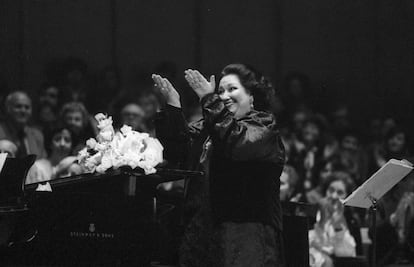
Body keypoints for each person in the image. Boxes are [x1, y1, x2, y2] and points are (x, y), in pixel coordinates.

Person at [153, 63, 285, 267]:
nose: (224, 96)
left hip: (244, 236)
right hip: (202, 231)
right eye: (220, 91)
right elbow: (179, 149)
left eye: (232, 89)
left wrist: (209, 99)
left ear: (252, 96)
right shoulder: (210, 127)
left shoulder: (263, 127)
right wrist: (173, 106)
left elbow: (236, 143)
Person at [309, 173, 360, 267]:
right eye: (331, 190)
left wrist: (338, 225)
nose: (333, 196)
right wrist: (322, 222)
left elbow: (347, 255)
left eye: (340, 193)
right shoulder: (312, 213)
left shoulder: (351, 220)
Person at [0, 91, 47, 159]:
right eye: (18, 106)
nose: (23, 111)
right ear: (8, 108)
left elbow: (42, 162)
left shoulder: (37, 136)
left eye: (27, 107)